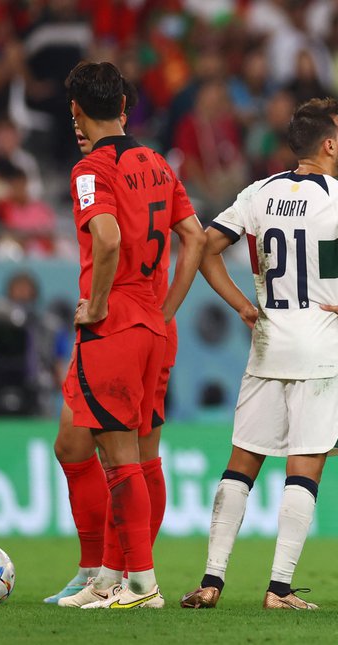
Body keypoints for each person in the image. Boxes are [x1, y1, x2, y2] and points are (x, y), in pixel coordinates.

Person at [180, 97, 338, 610]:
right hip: (319, 344)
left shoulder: (258, 193)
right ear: (329, 144)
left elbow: (203, 244)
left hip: (269, 339)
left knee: (242, 461)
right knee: (304, 466)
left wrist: (244, 305)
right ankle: (279, 589)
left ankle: (211, 580)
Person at [56, 61, 205, 610]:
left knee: (120, 462)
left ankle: (139, 585)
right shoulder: (158, 162)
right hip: (153, 329)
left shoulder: (90, 170)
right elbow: (194, 237)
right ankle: (114, 579)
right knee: (142, 458)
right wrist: (165, 310)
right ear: (122, 107)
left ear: (77, 111)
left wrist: (94, 305)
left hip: (114, 324)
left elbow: (108, 237)